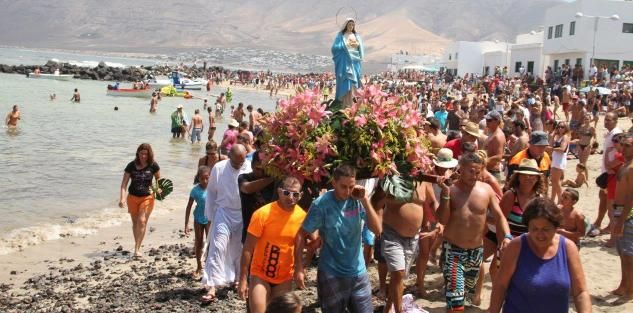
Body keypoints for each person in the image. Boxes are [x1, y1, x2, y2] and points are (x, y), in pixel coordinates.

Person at [294, 165, 381, 313]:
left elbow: (377, 230)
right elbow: (301, 234)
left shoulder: (358, 199)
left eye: (351, 186)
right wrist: (299, 267)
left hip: (358, 273)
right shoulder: (321, 204)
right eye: (343, 187)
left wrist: (365, 200)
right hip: (331, 273)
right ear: (334, 183)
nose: (347, 191)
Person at [436, 152, 512, 312]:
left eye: (478, 172)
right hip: (453, 251)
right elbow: (442, 219)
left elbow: (499, 216)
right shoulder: (451, 190)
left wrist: (507, 236)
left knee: (462, 293)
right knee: (456, 298)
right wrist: (444, 194)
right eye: (471, 171)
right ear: (461, 169)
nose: (475, 175)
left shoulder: (486, 190)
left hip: (476, 252)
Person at [488, 197, 592, 313]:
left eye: (546, 229)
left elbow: (580, 292)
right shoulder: (516, 247)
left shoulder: (568, 248)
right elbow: (501, 285)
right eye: (534, 229)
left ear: (556, 227)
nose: (540, 235)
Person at [238, 177, 306, 313]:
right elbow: (247, 249)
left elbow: (299, 246)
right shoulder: (262, 214)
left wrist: (299, 269)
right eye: (287, 193)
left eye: (295, 194)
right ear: (280, 192)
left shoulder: (302, 217)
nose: (291, 197)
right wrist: (243, 280)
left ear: (301, 195)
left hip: (284, 277)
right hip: (260, 275)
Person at [201, 144, 251, 301]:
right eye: (235, 162)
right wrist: (210, 216)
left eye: (241, 162)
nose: (238, 165)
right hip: (223, 212)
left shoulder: (248, 167)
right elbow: (211, 192)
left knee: (239, 248)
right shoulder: (219, 167)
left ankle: (237, 279)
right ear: (229, 157)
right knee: (217, 247)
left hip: (242, 213)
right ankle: (212, 286)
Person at [118, 143, 161, 258]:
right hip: (132, 198)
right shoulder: (131, 166)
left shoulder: (153, 165)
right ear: (138, 153)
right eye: (141, 154)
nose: (143, 156)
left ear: (149, 155)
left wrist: (158, 189)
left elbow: (158, 180)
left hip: (147, 197)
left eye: (146, 154)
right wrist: (122, 198)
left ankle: (137, 249)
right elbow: (124, 184)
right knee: (135, 223)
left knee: (142, 221)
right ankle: (137, 245)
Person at [238, 151, 276, 244]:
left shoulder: (275, 181)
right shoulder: (244, 177)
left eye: (265, 169)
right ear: (251, 165)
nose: (262, 172)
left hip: (269, 234)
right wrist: (273, 178)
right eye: (258, 168)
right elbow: (247, 188)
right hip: (250, 233)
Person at [613, 132, 633, 299]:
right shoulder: (625, 165)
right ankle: (624, 285)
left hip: (627, 212)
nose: (623, 148)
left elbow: (631, 196)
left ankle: (630, 289)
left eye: (628, 146)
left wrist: (621, 219)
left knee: (628, 253)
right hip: (619, 210)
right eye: (623, 145)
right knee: (622, 251)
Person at [184, 166, 211, 279]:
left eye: (207, 178)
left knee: (210, 243)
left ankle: (209, 267)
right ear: (198, 178)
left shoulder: (213, 189)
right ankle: (199, 266)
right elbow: (189, 207)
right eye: (202, 178)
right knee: (199, 242)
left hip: (210, 218)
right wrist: (186, 224)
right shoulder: (195, 190)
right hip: (198, 218)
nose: (205, 181)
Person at [332, 18, 364, 108]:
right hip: (344, 61)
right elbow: (334, 48)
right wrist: (344, 47)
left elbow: (360, 48)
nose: (351, 26)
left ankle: (353, 102)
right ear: (346, 25)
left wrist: (355, 47)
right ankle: (344, 102)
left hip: (355, 61)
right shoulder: (341, 36)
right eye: (349, 24)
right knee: (346, 79)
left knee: (354, 79)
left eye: (352, 25)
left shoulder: (356, 36)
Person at [549, 121, 570, 203]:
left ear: (566, 128)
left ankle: (560, 200)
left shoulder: (565, 137)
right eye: (559, 127)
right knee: (554, 181)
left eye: (562, 127)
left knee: (556, 182)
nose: (560, 128)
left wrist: (552, 149)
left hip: (559, 160)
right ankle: (552, 199)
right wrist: (553, 135)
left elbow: (562, 149)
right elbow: (550, 144)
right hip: (555, 159)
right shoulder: (558, 136)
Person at [484, 110, 506, 182]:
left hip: (493, 172)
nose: (487, 122)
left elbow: (499, 156)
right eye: (486, 120)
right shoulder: (491, 131)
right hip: (488, 170)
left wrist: (483, 161)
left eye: (489, 120)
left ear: (497, 121)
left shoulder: (498, 136)